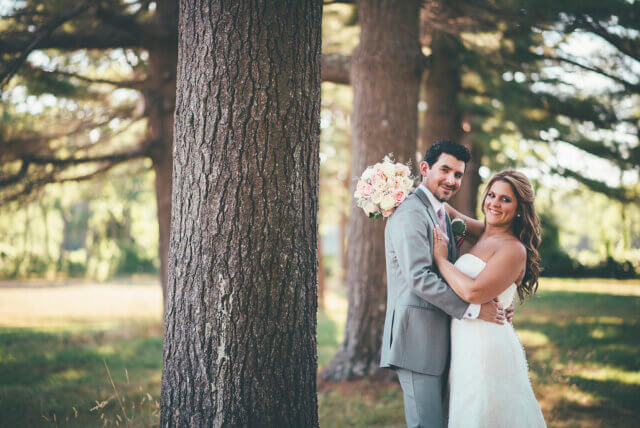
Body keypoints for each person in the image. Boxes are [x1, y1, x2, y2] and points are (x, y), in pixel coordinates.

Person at [380, 140, 512, 428]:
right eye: (445, 170)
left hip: (443, 341)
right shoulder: (410, 212)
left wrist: (496, 300)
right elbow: (419, 277)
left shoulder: (440, 212)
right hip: (417, 342)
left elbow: (454, 272)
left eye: (459, 174)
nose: (451, 180)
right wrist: (476, 310)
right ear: (425, 168)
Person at [433, 170, 546, 428]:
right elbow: (447, 211)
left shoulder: (512, 248)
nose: (494, 203)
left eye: (505, 199)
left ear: (519, 209)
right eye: (491, 195)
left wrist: (440, 260)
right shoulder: (485, 231)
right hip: (466, 341)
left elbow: (473, 292)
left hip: (487, 347)